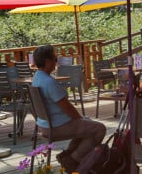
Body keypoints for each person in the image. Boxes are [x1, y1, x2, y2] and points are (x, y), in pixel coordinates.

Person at [31, 44, 106, 173]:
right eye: (55, 59)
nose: (56, 62)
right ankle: (74, 159)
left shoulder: (37, 78)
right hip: (57, 126)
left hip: (44, 125)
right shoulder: (49, 82)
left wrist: (83, 121)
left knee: (87, 126)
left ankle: (67, 155)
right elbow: (68, 108)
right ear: (48, 61)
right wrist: (81, 118)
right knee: (99, 129)